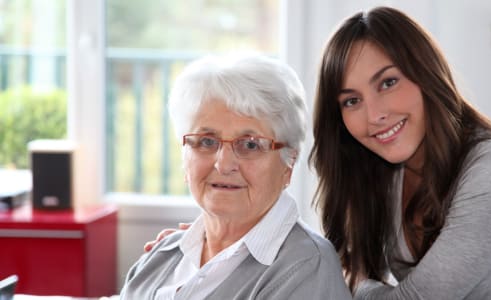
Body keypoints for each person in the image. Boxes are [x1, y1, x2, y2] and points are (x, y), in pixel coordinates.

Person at [309, 6, 491, 299]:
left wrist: (355, 280)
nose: (374, 115)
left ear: (426, 73)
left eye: (388, 83)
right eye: (351, 101)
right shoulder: (385, 173)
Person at [120, 54, 351, 299]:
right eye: (207, 141)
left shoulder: (306, 269)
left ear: (289, 163)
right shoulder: (162, 255)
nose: (224, 164)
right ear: (184, 156)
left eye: (250, 145)